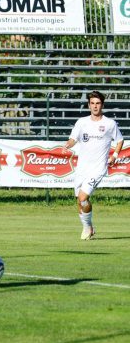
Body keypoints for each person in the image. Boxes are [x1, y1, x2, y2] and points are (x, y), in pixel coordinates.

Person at [64, 90, 124, 240]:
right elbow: (73, 139)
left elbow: (120, 140)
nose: (95, 106)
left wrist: (115, 155)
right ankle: (89, 227)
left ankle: (86, 228)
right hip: (82, 168)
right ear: (88, 105)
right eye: (92, 103)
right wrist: (68, 145)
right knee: (79, 200)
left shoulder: (109, 124)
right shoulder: (81, 122)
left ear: (102, 105)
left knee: (83, 197)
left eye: (98, 103)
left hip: (98, 168)